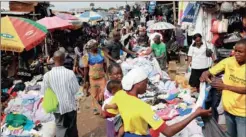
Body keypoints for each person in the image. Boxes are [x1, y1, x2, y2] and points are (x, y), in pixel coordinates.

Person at [105, 67, 212, 137]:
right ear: (137, 84)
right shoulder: (142, 107)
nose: (146, 86)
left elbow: (106, 113)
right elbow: (168, 132)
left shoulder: (120, 95)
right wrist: (195, 114)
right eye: (145, 83)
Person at [200, 39, 246, 137]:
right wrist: (205, 74)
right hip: (228, 109)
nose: (236, 54)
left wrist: (225, 86)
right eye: (235, 51)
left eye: (240, 52)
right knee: (229, 134)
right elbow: (211, 71)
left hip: (243, 114)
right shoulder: (229, 61)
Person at [41, 50, 79, 137]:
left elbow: (44, 92)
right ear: (64, 60)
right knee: (72, 127)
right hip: (70, 105)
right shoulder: (70, 73)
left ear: (53, 59)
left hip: (57, 107)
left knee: (60, 127)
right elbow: (76, 89)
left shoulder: (47, 76)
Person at [82, 39, 107, 115]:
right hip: (93, 78)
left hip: (102, 77)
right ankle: (95, 108)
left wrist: (106, 74)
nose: (96, 46)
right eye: (94, 46)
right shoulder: (86, 56)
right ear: (90, 47)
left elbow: (105, 64)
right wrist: (85, 80)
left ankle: (103, 105)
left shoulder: (101, 53)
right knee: (94, 93)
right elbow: (86, 69)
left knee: (104, 91)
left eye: (96, 45)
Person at [103, 63, 123, 137]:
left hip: (118, 115)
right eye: (116, 74)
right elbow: (106, 105)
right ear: (110, 75)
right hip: (113, 117)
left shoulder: (119, 83)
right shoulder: (110, 87)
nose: (119, 75)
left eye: (120, 73)